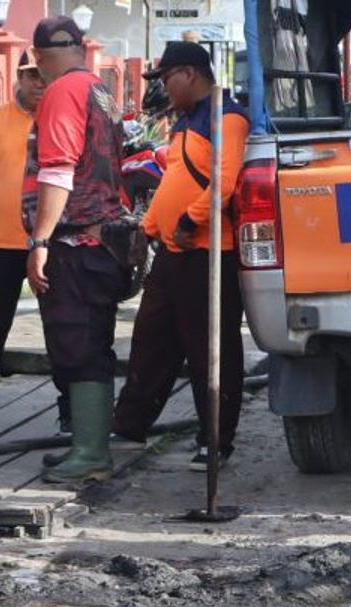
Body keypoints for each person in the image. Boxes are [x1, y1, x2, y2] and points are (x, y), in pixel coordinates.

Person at [111, 41, 250, 471]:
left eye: (168, 78)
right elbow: (175, 176)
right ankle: (129, 425)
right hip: (172, 250)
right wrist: (148, 228)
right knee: (151, 339)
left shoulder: (227, 116)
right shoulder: (185, 119)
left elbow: (223, 181)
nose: (164, 89)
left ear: (189, 74)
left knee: (209, 349)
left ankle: (215, 439)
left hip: (207, 252)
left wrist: (189, 221)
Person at [22, 16, 130, 484]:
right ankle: (88, 444)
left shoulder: (63, 92)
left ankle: (90, 453)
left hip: (77, 240)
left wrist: (40, 241)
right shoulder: (100, 90)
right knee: (90, 342)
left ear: (42, 59)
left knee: (79, 345)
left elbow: (58, 171)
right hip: (103, 239)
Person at [0, 49, 74, 441]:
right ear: (19, 77)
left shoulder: (64, 116)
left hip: (51, 243)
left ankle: (70, 412)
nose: (39, 82)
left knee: (61, 329)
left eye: (44, 74)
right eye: (31, 75)